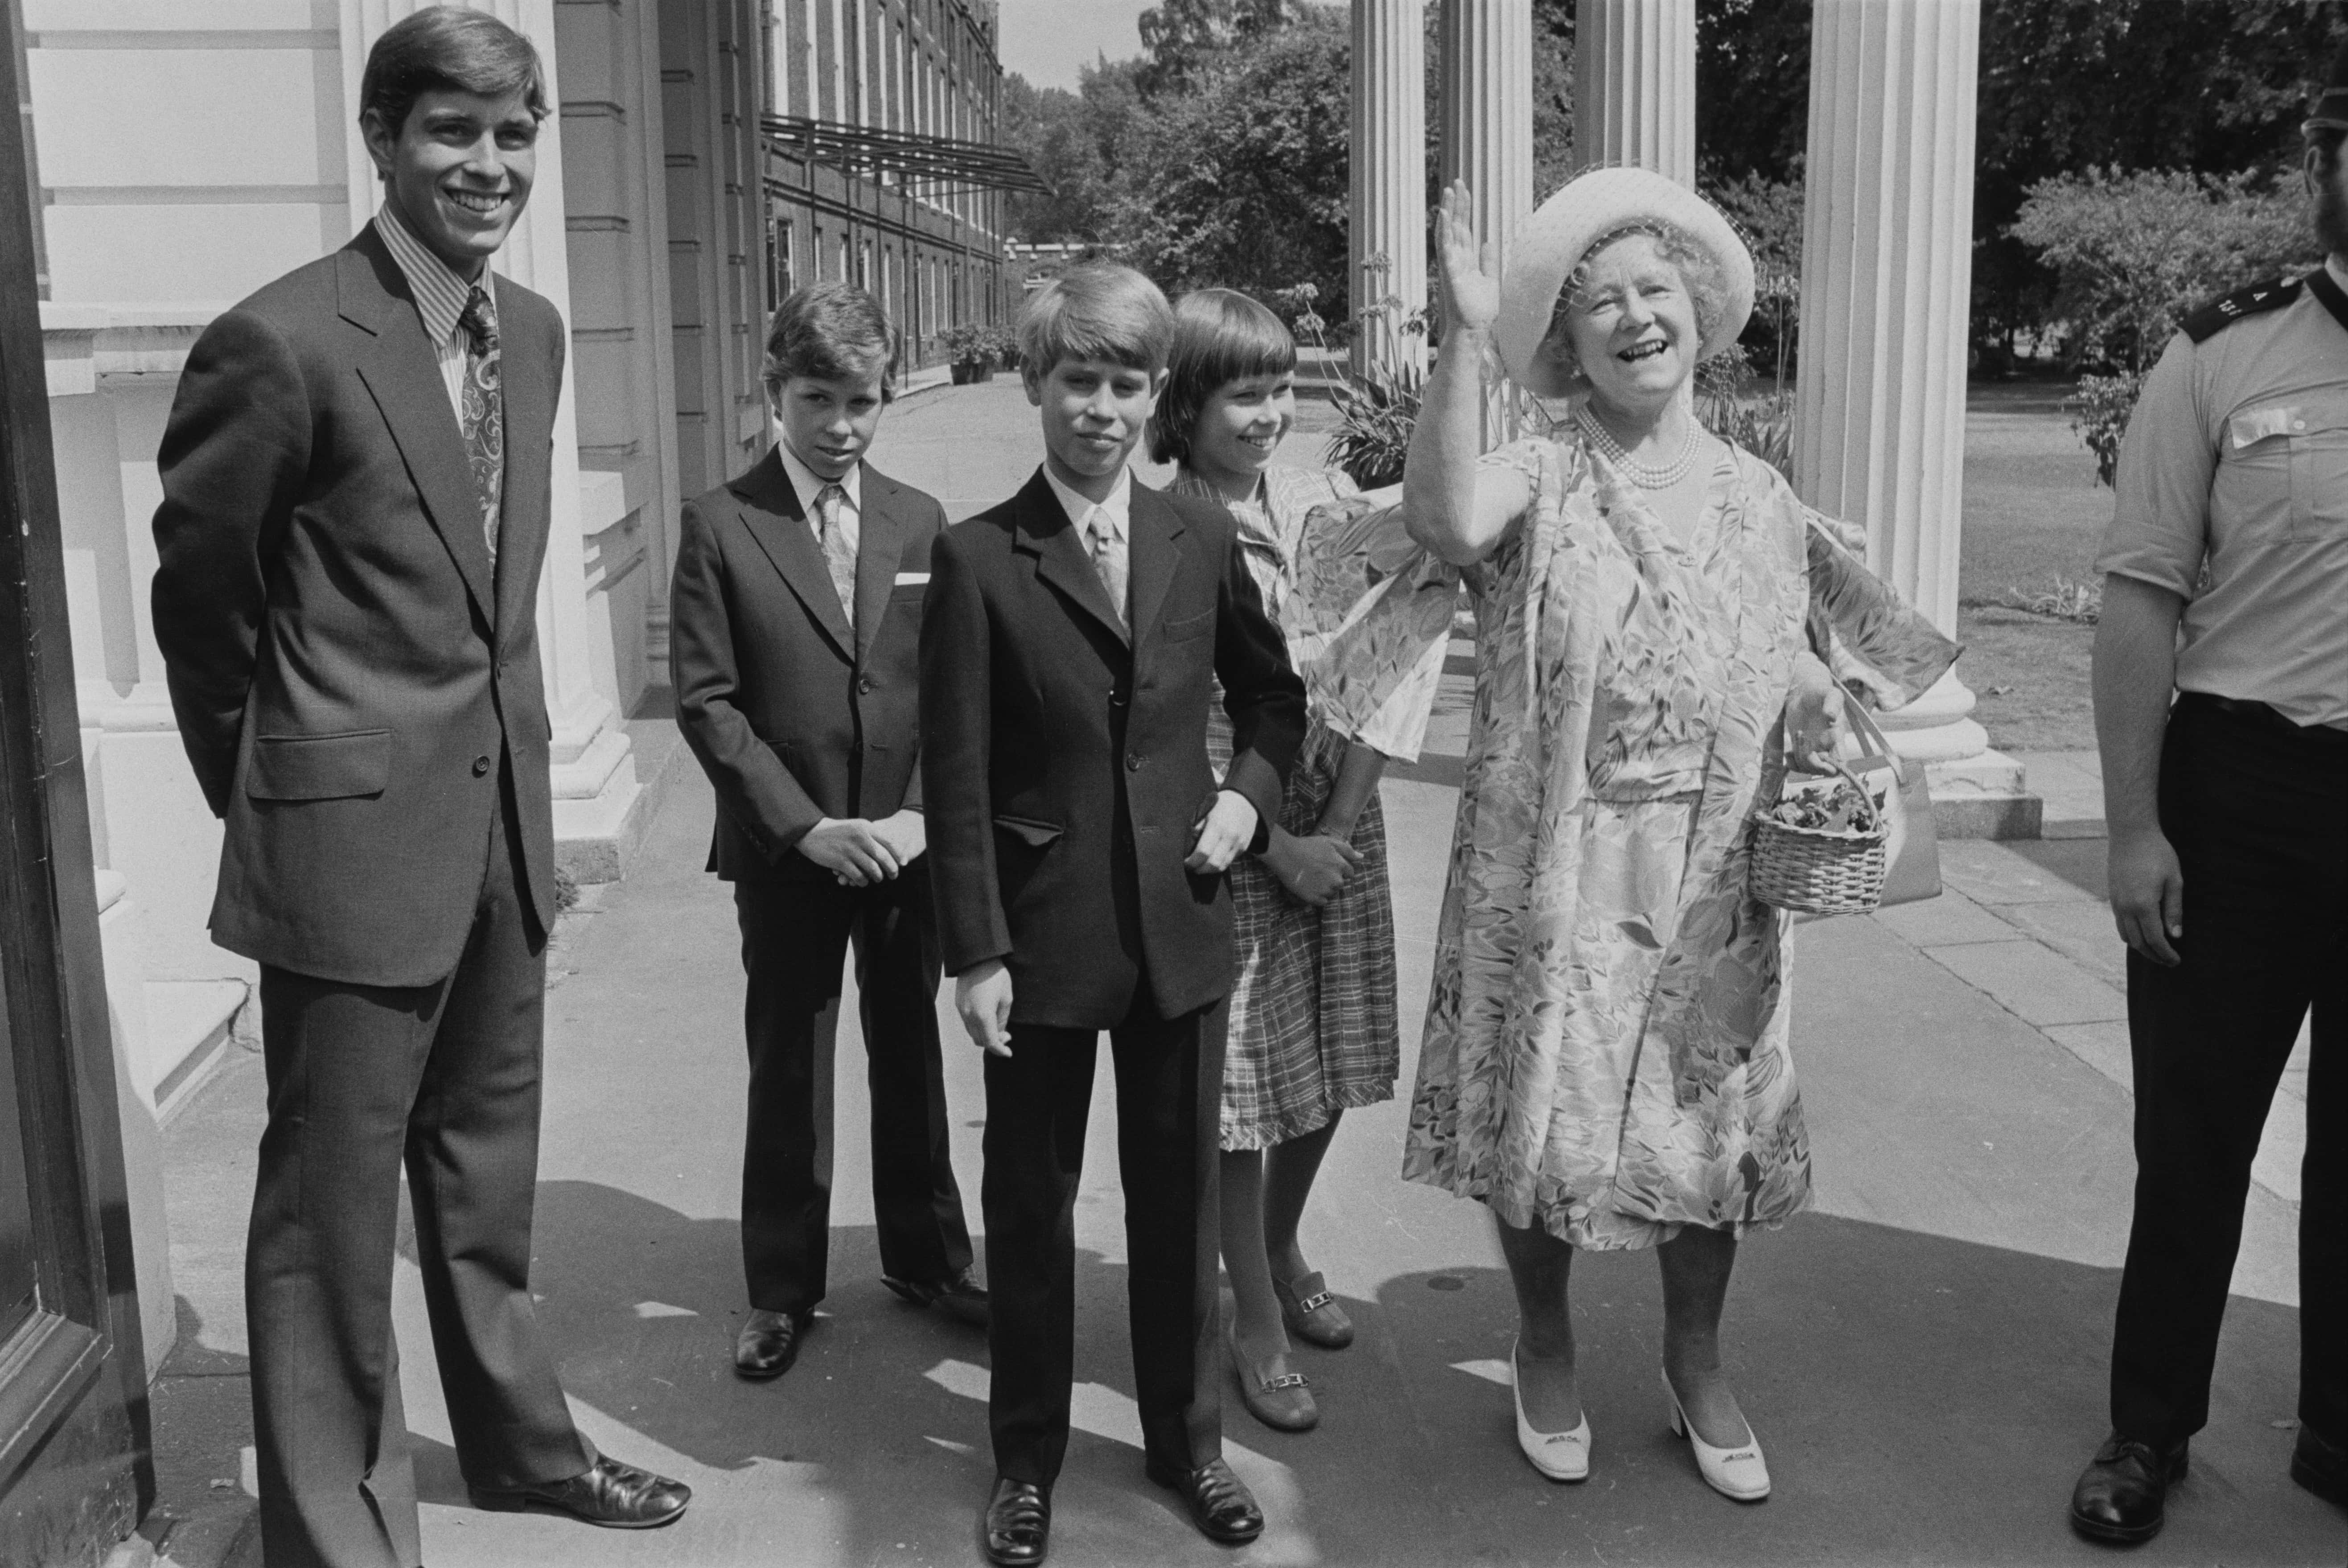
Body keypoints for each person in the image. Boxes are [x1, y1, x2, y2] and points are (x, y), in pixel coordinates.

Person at [148, 11, 688, 1565]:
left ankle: (520, 1450)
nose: (491, 163)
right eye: (455, 129)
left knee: (483, 1175)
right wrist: (289, 800)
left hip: (502, 827)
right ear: (382, 137)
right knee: (329, 1213)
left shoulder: (536, 331)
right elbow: (204, 608)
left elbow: (482, 584)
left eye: (516, 134)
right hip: (345, 849)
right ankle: (337, 1533)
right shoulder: (281, 340)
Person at [1395, 170, 1957, 1501]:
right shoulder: (1541, 470)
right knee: (1543, 1115)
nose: (1635, 317)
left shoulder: (1761, 496)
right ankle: (1542, 1341)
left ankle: (1695, 1361)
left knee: (1712, 1127)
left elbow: (1787, 647)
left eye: (1656, 290)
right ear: (1568, 342)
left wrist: (1809, 694)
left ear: (1700, 314)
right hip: (1559, 861)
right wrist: (1466, 333)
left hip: (1714, 869)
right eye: (1600, 303)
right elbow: (1444, 519)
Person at [919, 262, 1308, 1565]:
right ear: (1035, 385)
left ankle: (1188, 1445)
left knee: (1177, 1205)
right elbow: (957, 773)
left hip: (1181, 922)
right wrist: (974, 950)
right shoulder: (980, 556)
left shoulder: (1196, 532)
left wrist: (1247, 801)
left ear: (1155, 396)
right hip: (1039, 934)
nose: (1100, 408)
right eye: (1077, 380)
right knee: (1032, 1206)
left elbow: (1274, 700)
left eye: (1125, 384)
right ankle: (1024, 1459)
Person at [2065, 46, 2348, 1545]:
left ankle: (2338, 1429)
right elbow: (2137, 598)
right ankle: (2146, 1426)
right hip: (2241, 791)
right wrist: (2130, 827)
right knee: (2193, 1133)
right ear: (2321, 167)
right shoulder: (2218, 357)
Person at [670, 283, 985, 1385]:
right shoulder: (723, 522)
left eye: (863, 401)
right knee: (790, 1062)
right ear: (775, 392)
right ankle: (781, 1286)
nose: (842, 426)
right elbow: (707, 701)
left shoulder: (920, 519)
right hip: (790, 851)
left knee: (911, 1050)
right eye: (818, 400)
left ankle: (929, 1259)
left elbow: (952, 686)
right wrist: (803, 828)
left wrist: (917, 817)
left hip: (900, 843)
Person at [1152, 289, 1452, 1432]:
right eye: (1244, 394)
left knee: (1329, 1055)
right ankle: (1251, 1312)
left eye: (1282, 389)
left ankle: (1278, 1246)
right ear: (1187, 402)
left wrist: (1340, 824)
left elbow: (1402, 647)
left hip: (1340, 823)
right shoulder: (1161, 526)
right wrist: (1277, 845)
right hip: (1230, 836)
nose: (1270, 413)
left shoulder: (1326, 509)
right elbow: (1162, 728)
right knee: (1241, 1090)